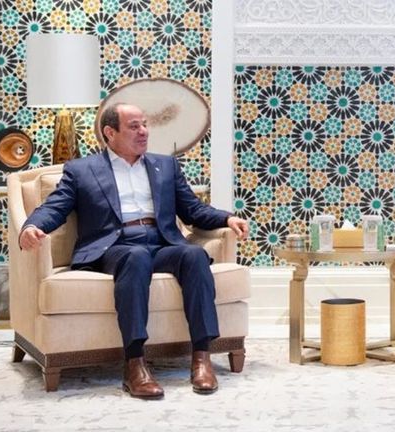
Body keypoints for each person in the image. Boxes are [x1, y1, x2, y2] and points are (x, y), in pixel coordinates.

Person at [19, 103, 249, 399]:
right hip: (114, 247)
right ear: (109, 132)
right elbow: (55, 207)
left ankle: (202, 358)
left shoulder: (165, 166)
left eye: (144, 125)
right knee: (135, 256)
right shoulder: (81, 170)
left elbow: (192, 209)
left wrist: (227, 219)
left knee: (193, 254)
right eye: (134, 126)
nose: (143, 132)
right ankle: (135, 363)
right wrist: (31, 227)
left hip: (161, 243)